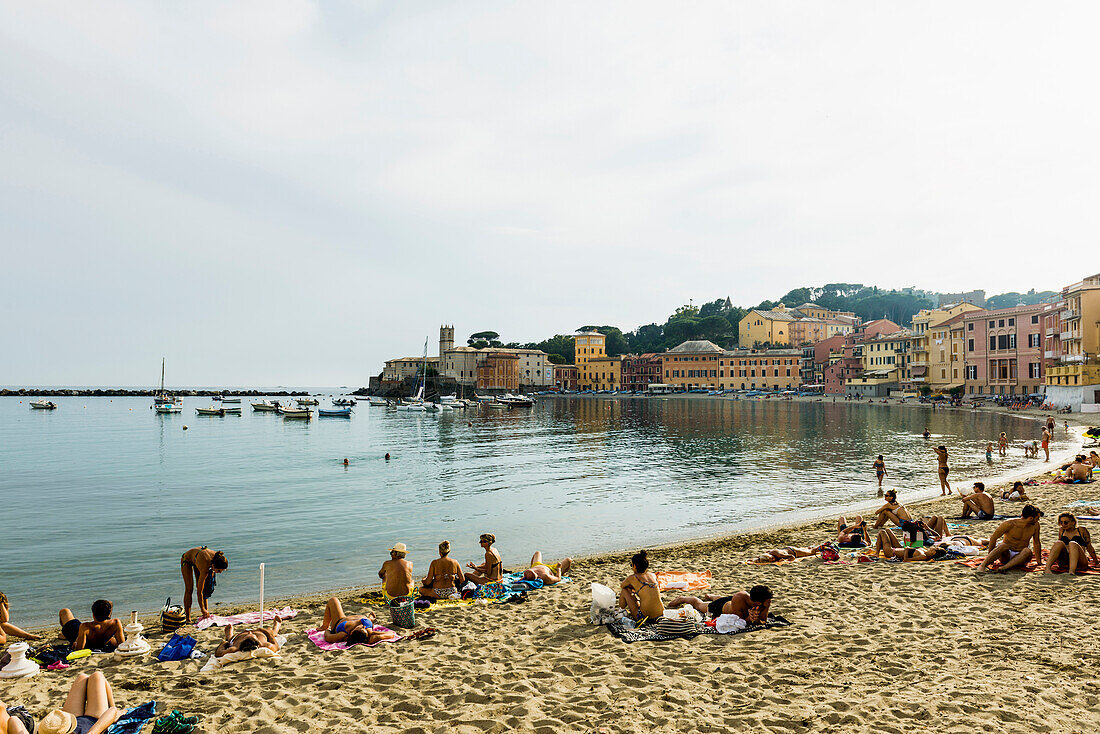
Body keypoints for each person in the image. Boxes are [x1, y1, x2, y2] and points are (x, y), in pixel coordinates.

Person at [31, 671, 119, 734]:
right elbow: (112, 710)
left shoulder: (50, 730)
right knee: (97, 676)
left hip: (67, 722)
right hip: (93, 719)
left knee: (82, 677)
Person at [977, 505, 1043, 572]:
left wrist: (1039, 562)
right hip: (1006, 554)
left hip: (1021, 555)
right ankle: (982, 565)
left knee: (1027, 551)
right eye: (1037, 518)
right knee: (1003, 545)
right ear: (1030, 518)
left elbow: (1036, 542)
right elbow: (993, 538)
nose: (1038, 520)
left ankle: (1003, 568)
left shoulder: (1035, 526)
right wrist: (990, 557)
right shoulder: (1009, 524)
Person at [668, 585, 773, 623]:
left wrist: (757, 619)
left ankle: (711, 596)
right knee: (699, 604)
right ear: (758, 602)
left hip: (730, 603)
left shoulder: (765, 603)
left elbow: (763, 620)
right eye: (768, 600)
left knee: (722, 599)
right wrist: (750, 619)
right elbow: (739, 620)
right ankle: (683, 598)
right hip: (720, 607)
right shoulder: (740, 598)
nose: (770, 602)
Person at [180, 546, 229, 622]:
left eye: (222, 571)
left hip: (198, 559)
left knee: (206, 588)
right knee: (189, 589)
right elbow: (199, 591)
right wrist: (202, 608)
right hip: (187, 560)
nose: (219, 573)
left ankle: (205, 614)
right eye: (218, 571)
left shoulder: (217, 558)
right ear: (213, 566)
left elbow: (204, 591)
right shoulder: (205, 567)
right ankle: (188, 618)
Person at [320, 597, 394, 645]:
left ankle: (324, 625)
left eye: (361, 628)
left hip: (340, 620)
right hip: (365, 619)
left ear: (352, 632)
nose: (364, 626)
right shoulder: (368, 632)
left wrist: (326, 629)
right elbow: (391, 634)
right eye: (364, 628)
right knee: (368, 621)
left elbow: (327, 636)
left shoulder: (342, 634)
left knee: (333, 600)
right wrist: (376, 634)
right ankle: (370, 619)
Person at [58, 600, 125, 652]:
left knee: (65, 611)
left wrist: (75, 644)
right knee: (109, 604)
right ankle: (64, 635)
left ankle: (64, 634)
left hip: (77, 634)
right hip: (99, 636)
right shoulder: (115, 623)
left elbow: (79, 649)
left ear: (93, 614)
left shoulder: (85, 626)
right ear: (108, 615)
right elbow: (122, 644)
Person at [618, 550, 663, 623]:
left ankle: (620, 611)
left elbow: (622, 585)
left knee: (625, 590)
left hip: (644, 618)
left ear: (634, 566)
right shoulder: (653, 575)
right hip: (660, 614)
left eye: (631, 565)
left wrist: (631, 587)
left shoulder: (633, 578)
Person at [214, 619, 281, 657]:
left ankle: (229, 637)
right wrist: (265, 632)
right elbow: (276, 645)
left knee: (232, 639)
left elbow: (218, 653)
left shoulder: (234, 648)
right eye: (250, 634)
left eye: (249, 634)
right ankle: (276, 628)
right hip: (259, 633)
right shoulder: (266, 645)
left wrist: (225, 643)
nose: (249, 632)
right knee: (270, 632)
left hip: (239, 636)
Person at [869, 529, 946, 561]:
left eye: (935, 548)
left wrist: (907, 550)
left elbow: (906, 560)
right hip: (900, 548)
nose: (934, 547)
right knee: (888, 530)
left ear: (934, 553)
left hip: (891, 552)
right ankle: (877, 551)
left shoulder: (923, 556)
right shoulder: (925, 551)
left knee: (882, 532)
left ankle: (876, 553)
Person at [752, 545, 823, 564]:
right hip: (788, 549)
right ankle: (808, 548)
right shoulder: (767, 553)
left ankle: (823, 547)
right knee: (807, 549)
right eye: (772, 560)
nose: (773, 560)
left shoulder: (779, 554)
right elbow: (758, 558)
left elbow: (792, 557)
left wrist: (786, 561)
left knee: (812, 552)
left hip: (794, 552)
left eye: (772, 558)